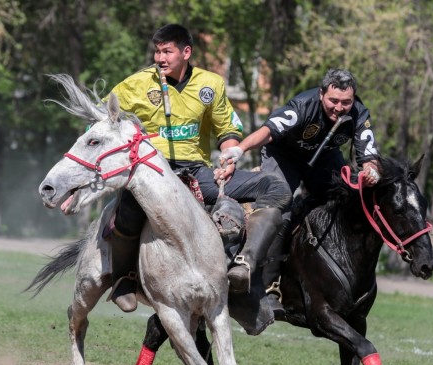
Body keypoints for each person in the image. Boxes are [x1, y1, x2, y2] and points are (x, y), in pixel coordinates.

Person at [107, 23, 291, 322]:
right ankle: (123, 278)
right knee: (128, 207)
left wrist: (229, 157)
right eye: (157, 51)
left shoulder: (211, 84)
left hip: (197, 172)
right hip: (151, 169)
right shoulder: (136, 84)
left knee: (275, 187)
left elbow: (227, 129)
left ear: (186, 52)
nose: (160, 58)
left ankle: (245, 266)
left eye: (167, 52)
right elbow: (103, 119)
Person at [216, 68, 383, 310]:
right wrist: (240, 150)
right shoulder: (303, 105)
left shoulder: (358, 112)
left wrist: (372, 172)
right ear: (321, 94)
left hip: (324, 159)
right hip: (284, 156)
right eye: (333, 101)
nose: (339, 108)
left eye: (346, 102)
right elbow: (268, 132)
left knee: (345, 200)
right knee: (280, 204)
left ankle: (329, 277)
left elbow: (369, 154)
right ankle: (267, 286)